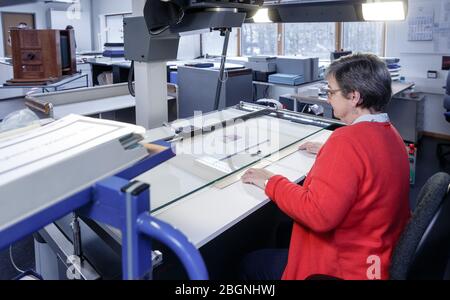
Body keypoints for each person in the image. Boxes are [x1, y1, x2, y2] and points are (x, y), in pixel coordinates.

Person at [240, 53, 410, 280]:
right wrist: (328, 151)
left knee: (250, 263)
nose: (328, 98)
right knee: (283, 232)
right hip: (375, 259)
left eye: (331, 91)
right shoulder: (392, 134)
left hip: (341, 266)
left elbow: (317, 214)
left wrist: (270, 180)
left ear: (354, 96)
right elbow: (371, 163)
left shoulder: (346, 141)